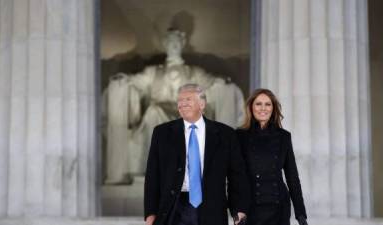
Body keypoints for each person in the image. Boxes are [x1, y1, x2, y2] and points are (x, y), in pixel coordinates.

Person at [102, 29, 244, 184]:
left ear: (183, 44)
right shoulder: (153, 72)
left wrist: (223, 82)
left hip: (187, 115)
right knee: (153, 111)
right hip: (158, 114)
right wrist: (123, 80)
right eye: (170, 41)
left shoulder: (194, 72)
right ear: (165, 45)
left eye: (177, 41)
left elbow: (213, 81)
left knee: (214, 98)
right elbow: (135, 81)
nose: (174, 45)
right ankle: (155, 168)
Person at [144, 83, 249, 225]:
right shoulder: (162, 133)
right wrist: (150, 213)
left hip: (211, 207)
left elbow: (236, 176)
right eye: (180, 101)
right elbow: (152, 176)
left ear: (202, 104)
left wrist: (238, 210)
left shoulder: (226, 134)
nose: (182, 104)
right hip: (173, 207)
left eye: (188, 99)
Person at [236, 88, 308, 225]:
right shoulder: (239, 136)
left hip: (279, 208)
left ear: (273, 108)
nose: (263, 108)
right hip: (250, 208)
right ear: (251, 107)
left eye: (268, 104)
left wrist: (301, 214)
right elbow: (235, 177)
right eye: (258, 104)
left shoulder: (284, 137)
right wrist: (237, 210)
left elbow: (292, 177)